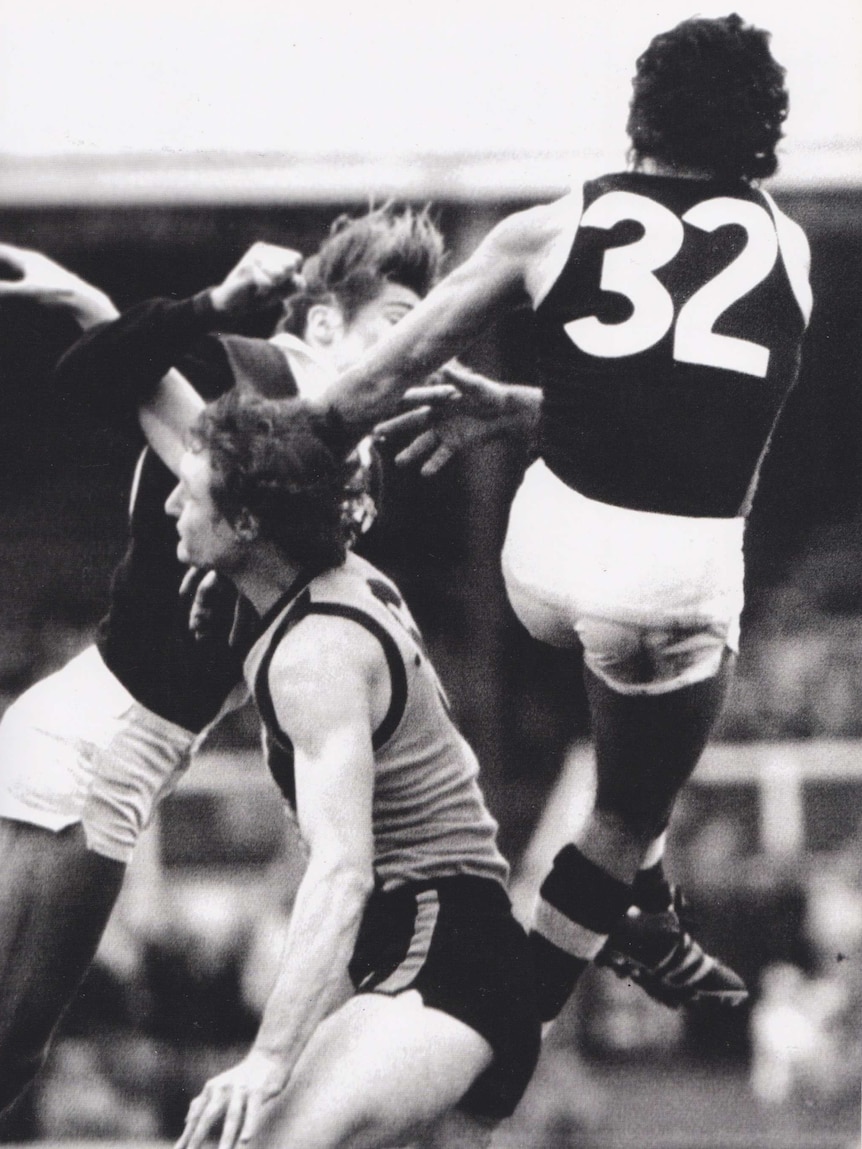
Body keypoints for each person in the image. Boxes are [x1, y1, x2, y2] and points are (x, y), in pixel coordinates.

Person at [314, 14, 812, 1022]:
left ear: (639, 116)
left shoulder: (546, 226)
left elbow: (386, 373)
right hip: (663, 596)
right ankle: (512, 1027)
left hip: (539, 557)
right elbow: (698, 428)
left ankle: (651, 910)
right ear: (762, 133)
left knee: (626, 694)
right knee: (630, 801)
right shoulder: (788, 247)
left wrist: (298, 446)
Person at [0, 204, 446, 1115]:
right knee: (10, 1043)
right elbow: (99, 380)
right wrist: (199, 302)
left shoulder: (352, 450)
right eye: (400, 324)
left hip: (123, 744)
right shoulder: (259, 375)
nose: (417, 351)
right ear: (325, 323)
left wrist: (97, 305)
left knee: (11, 1047)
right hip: (100, 742)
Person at [157, 388, 540, 1149]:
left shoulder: (315, 654)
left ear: (246, 525)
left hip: (439, 961)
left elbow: (342, 872)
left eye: (189, 492)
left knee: (243, 1142)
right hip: (459, 952)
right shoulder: (337, 579)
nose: (170, 503)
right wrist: (228, 585)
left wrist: (268, 1060)